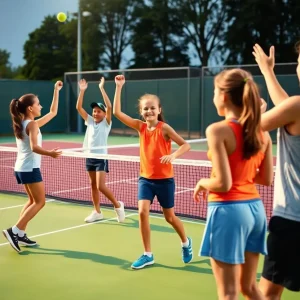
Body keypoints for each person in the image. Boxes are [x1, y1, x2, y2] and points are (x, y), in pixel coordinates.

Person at [193, 68, 273, 300]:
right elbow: (265, 179)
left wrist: (202, 182)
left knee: (228, 294)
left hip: (229, 212)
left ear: (225, 96)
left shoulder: (217, 130)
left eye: (214, 91)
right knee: (249, 288)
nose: (213, 97)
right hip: (256, 212)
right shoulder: (263, 134)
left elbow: (223, 183)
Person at [113, 74, 193, 270]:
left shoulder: (164, 128)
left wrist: (173, 156)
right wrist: (119, 87)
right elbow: (116, 113)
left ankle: (185, 242)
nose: (149, 111)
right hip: (145, 180)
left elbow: (185, 145)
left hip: (165, 181)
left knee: (169, 217)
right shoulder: (140, 127)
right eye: (145, 108)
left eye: (152, 108)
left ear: (159, 110)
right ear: (141, 112)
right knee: (142, 212)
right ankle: (148, 254)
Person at [253, 43, 300, 296]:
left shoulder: (296, 107)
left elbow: (251, 128)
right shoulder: (294, 108)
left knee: (268, 294)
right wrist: (267, 71)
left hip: (292, 221)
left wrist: (256, 109)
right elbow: (287, 107)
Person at [2, 81, 63, 253]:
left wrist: (56, 91)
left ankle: (20, 233)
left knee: (31, 201)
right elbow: (35, 147)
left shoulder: (24, 123)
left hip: (21, 168)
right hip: (30, 168)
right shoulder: (32, 125)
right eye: (38, 104)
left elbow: (53, 112)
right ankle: (14, 231)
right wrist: (50, 153)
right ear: (30, 108)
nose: (40, 106)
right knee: (40, 201)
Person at [76, 77, 125, 223]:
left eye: (99, 111)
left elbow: (110, 107)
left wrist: (101, 88)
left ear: (104, 114)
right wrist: (82, 91)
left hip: (101, 158)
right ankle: (97, 211)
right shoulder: (89, 120)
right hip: (89, 156)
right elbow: (78, 108)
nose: (96, 113)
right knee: (93, 185)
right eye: (94, 111)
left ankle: (117, 206)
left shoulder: (106, 123)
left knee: (100, 186)